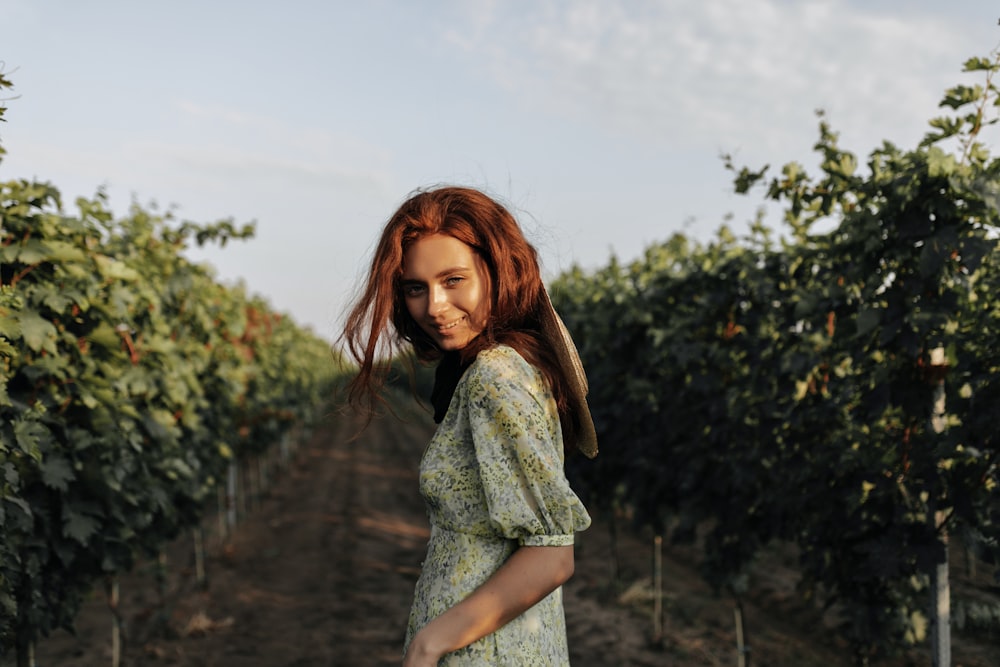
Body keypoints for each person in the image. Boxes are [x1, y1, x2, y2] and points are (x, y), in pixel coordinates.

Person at [339, 185, 598, 665]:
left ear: (497, 270)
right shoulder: (503, 366)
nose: (434, 305)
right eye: (416, 287)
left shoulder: (493, 377)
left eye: (453, 279)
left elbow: (551, 554)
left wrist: (430, 642)